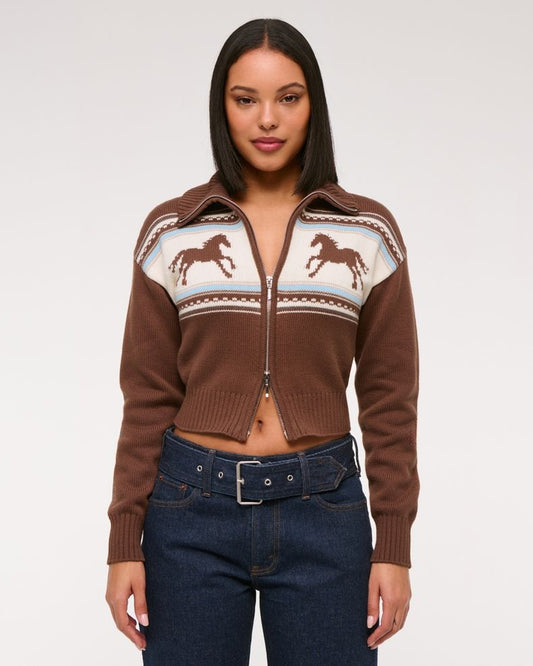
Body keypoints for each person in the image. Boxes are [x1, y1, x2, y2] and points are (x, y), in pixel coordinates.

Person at [105, 17, 419, 666]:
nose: (267, 119)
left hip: (323, 511)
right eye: (245, 99)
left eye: (288, 98)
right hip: (188, 513)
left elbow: (390, 397)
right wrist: (123, 540)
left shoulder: (367, 233)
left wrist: (393, 544)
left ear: (313, 105)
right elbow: (147, 395)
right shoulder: (174, 231)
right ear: (221, 107)